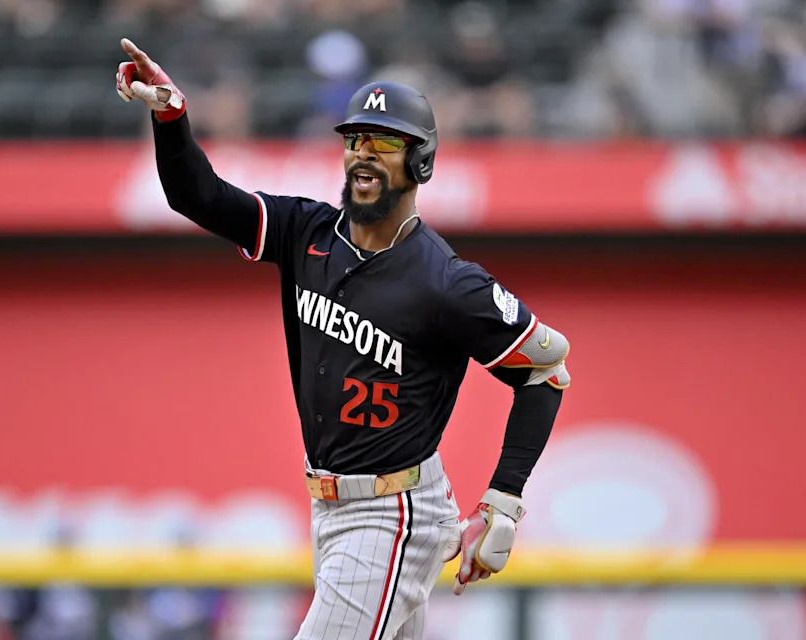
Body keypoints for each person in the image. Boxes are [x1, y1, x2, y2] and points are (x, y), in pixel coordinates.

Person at [115, 37, 571, 640]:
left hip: (393, 511)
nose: (363, 154)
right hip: (331, 506)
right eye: (355, 139)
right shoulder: (306, 232)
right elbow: (196, 196)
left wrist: (503, 501)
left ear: (422, 162)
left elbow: (545, 369)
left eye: (384, 143)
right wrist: (170, 116)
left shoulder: (445, 282)